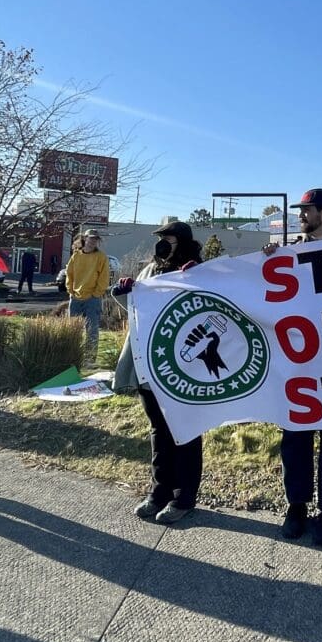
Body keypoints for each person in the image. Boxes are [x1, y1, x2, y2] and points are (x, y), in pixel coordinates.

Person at [264, 188, 322, 546]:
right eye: (300, 210)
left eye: (307, 210)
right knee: (295, 437)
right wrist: (266, 262)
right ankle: (296, 507)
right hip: (299, 363)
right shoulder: (292, 253)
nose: (301, 215)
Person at [114, 220, 205, 524]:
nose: (163, 243)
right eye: (161, 238)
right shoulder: (150, 270)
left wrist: (194, 278)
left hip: (183, 366)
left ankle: (184, 497)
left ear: (184, 241)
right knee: (158, 430)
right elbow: (135, 309)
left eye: (169, 238)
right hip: (149, 364)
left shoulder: (197, 271)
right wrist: (125, 291)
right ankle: (159, 491)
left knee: (185, 430)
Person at [65, 229, 111, 367]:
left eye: (96, 239)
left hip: (92, 299)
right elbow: (69, 274)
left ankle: (89, 360)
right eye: (91, 238)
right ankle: (73, 357)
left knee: (92, 330)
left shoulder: (101, 257)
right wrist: (71, 291)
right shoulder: (76, 256)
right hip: (76, 298)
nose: (93, 241)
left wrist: (96, 294)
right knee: (73, 329)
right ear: (85, 238)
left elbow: (104, 278)